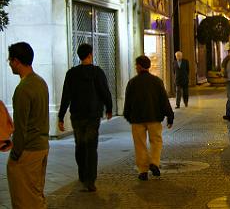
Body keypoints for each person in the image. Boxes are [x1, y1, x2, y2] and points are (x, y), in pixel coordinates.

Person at [59, 43, 113, 192]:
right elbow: (105, 92)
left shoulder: (71, 74)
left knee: (80, 145)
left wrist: (61, 116)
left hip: (77, 115)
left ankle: (82, 174)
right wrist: (109, 108)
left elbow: (66, 96)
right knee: (91, 146)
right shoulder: (97, 72)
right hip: (93, 115)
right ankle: (90, 179)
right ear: (90, 55)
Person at [7, 42, 49, 208]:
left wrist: (15, 154)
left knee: (23, 199)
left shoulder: (23, 89)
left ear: (17, 61)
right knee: (35, 194)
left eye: (10, 60)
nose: (9, 64)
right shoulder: (40, 82)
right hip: (42, 146)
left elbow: (20, 126)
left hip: (28, 149)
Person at [123, 55, 174, 181]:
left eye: (136, 65)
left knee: (140, 145)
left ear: (139, 66)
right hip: (154, 117)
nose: (135, 67)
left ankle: (143, 171)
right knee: (156, 141)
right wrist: (170, 116)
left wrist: (128, 116)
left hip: (137, 119)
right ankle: (154, 163)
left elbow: (127, 102)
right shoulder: (157, 81)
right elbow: (164, 100)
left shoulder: (132, 82)